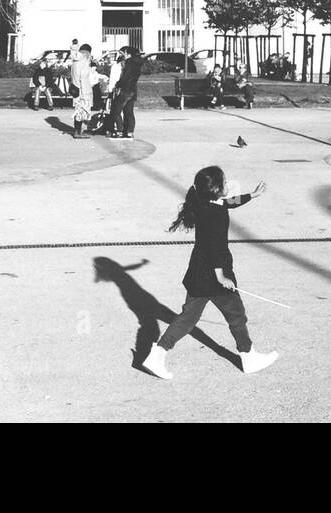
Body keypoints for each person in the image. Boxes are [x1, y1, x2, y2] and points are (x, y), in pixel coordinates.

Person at [141, 167, 278, 379]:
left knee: (188, 317)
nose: (227, 184)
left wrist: (252, 195)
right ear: (215, 188)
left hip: (199, 272)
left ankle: (157, 354)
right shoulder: (216, 214)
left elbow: (229, 202)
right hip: (214, 274)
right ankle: (249, 357)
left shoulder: (206, 202)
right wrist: (221, 276)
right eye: (224, 182)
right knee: (236, 315)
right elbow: (215, 247)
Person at [70, 44, 104, 139]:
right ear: (88, 52)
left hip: (75, 88)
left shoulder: (75, 61)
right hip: (83, 90)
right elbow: (83, 77)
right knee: (81, 111)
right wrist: (86, 94)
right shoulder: (84, 61)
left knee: (78, 110)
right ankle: (77, 132)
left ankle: (77, 131)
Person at [109, 46, 144, 138]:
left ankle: (119, 131)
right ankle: (129, 131)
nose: (121, 55)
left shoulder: (128, 63)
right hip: (133, 89)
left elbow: (125, 77)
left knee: (116, 111)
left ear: (127, 53)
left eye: (122, 53)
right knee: (129, 112)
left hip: (125, 89)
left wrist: (118, 84)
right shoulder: (137, 63)